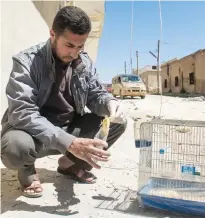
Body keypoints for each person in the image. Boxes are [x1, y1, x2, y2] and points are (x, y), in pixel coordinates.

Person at [1, 6, 127, 198]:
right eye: (69, 45)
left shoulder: (83, 62)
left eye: (80, 46)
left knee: (117, 123)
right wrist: (69, 143)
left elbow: (95, 94)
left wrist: (109, 103)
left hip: (69, 128)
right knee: (15, 147)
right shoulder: (26, 62)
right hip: (34, 135)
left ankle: (69, 164)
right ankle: (27, 169)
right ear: (53, 35)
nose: (75, 53)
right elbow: (22, 113)